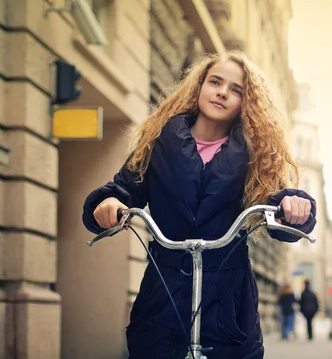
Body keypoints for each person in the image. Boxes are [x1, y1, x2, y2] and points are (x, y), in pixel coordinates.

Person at [82, 51, 317, 359]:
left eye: (236, 90)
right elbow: (125, 188)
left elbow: (278, 198)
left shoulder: (256, 153)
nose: (222, 92)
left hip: (227, 293)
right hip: (165, 282)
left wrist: (293, 205)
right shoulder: (159, 140)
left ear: (247, 102)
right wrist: (108, 203)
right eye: (215, 82)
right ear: (199, 87)